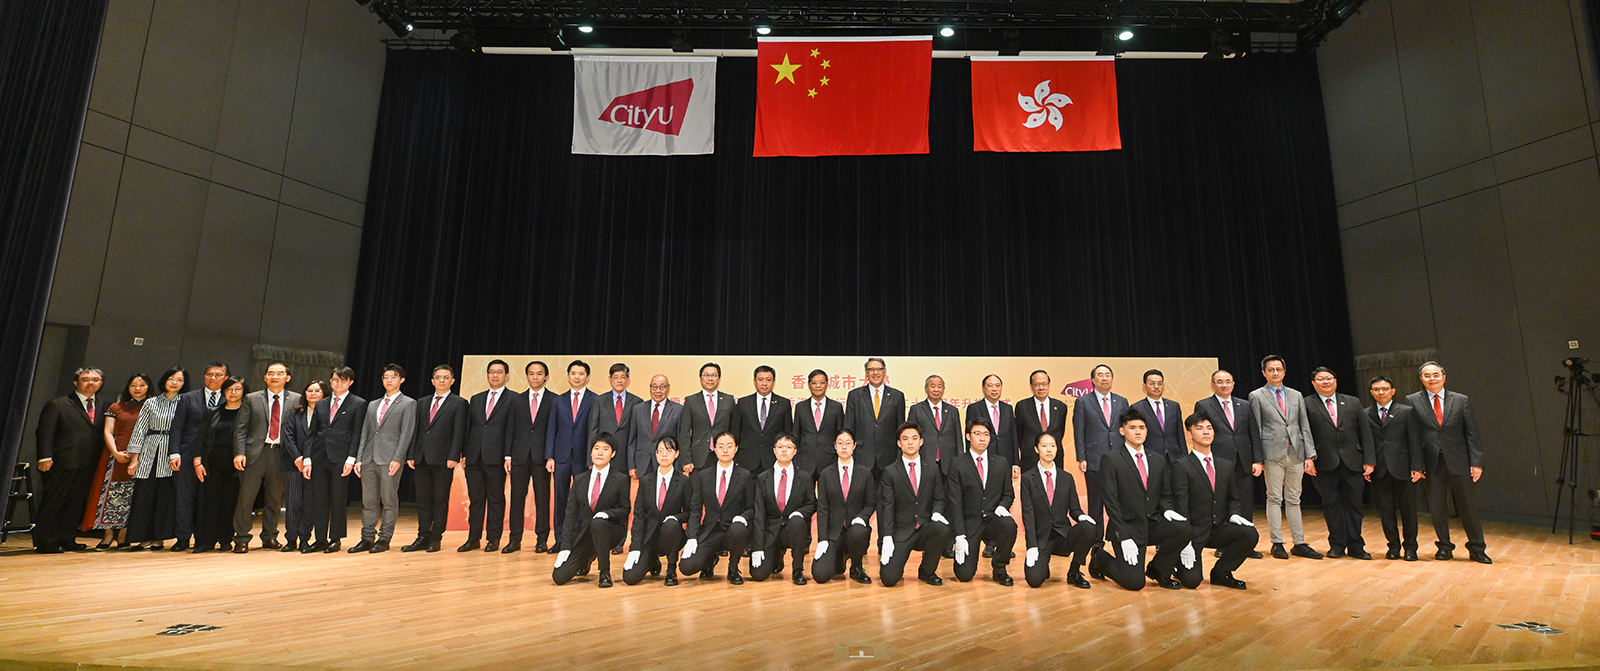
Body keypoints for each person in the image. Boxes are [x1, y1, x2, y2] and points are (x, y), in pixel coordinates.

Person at [1090, 411, 1191, 591]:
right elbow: (1110, 501)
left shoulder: (1158, 460)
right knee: (1134, 583)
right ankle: (1099, 558)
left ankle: (1158, 569)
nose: (1138, 432)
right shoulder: (1111, 459)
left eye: (1142, 428)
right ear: (1122, 431)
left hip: (1152, 523)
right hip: (1127, 527)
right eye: (1132, 428)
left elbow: (1164, 495)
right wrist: (1124, 535)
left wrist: (1167, 510)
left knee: (1183, 528)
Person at [1407, 362, 1490, 564]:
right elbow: (1413, 437)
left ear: (1444, 377)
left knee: (1468, 507)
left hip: (1460, 461)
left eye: (1436, 374)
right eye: (1427, 375)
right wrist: (1416, 466)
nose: (1432, 378)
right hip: (1431, 464)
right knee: (1437, 508)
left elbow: (1472, 434)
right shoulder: (1412, 401)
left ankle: (1477, 548)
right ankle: (1444, 547)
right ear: (1421, 379)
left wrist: (1476, 462)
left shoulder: (1461, 400)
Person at [1169, 414, 1258, 590]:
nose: (1206, 432)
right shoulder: (1182, 465)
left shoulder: (1224, 465)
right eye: (1199, 428)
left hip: (1218, 528)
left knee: (1249, 534)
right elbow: (1181, 504)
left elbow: (1234, 497)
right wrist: (1185, 539)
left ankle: (1221, 573)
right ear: (1190, 434)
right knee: (1192, 581)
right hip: (1193, 532)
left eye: (1209, 428)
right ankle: (1176, 563)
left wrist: (1234, 514)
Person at [1248, 355, 1321, 560]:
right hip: (1272, 453)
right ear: (1264, 373)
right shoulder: (1257, 395)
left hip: (1296, 452)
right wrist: (1259, 458)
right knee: (1273, 498)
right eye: (1270, 370)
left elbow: (1303, 425)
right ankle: (1277, 542)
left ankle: (1299, 542)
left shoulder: (1296, 394)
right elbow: (1257, 428)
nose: (1275, 373)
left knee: (1294, 499)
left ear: (1284, 371)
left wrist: (1310, 454)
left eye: (1278, 369)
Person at [229, 362, 300, 553]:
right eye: (271, 373)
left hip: (281, 455)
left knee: (274, 500)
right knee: (246, 499)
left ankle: (269, 537)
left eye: (280, 373)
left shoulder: (296, 399)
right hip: (255, 454)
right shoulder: (252, 398)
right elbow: (240, 429)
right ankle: (242, 538)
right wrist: (239, 452)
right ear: (265, 377)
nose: (275, 376)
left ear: (288, 377)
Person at [1305, 367, 1375, 559]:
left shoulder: (1352, 401)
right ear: (1313, 383)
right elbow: (1304, 434)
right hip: (1324, 463)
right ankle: (1337, 544)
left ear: (1335, 380)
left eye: (1329, 378)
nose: (1325, 382)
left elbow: (1365, 433)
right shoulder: (1306, 404)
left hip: (1353, 462)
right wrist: (1308, 458)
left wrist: (1369, 460)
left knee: (1354, 505)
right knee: (1331, 505)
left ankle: (1356, 546)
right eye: (1320, 379)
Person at [33, 367, 105, 553]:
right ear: (76, 383)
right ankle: (46, 542)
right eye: (85, 379)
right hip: (60, 463)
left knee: (75, 504)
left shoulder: (104, 406)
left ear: (101, 383)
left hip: (88, 465)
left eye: (95, 379)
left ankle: (68, 539)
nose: (91, 382)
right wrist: (44, 457)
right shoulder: (58, 404)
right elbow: (44, 433)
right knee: (53, 502)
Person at [1192, 369, 1263, 545]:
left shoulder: (1245, 405)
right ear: (1212, 384)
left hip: (1244, 461)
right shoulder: (1204, 405)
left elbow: (1253, 432)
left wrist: (1258, 460)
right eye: (1220, 382)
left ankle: (1246, 542)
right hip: (1218, 461)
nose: (1224, 385)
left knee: (1245, 501)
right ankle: (1223, 543)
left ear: (1233, 384)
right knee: (1221, 501)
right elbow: (1201, 433)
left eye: (1228, 381)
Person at [350, 364, 415, 553]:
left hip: (390, 459)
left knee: (388, 501)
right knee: (368, 501)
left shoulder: (408, 403)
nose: (388, 380)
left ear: (401, 380)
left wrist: (398, 458)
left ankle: (384, 538)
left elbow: (406, 433)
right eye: (385, 377)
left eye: (393, 377)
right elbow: (366, 433)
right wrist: (359, 458)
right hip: (369, 458)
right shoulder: (373, 404)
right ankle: (366, 537)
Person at [877, 423, 951, 587]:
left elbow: (939, 498)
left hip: (925, 527)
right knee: (889, 579)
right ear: (899, 443)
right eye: (905, 439)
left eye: (914, 438)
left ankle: (927, 571)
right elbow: (887, 507)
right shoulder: (890, 471)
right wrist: (887, 536)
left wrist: (937, 513)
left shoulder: (932, 468)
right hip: (901, 531)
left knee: (942, 529)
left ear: (921, 442)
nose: (910, 442)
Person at [552, 434, 631, 587]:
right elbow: (570, 515)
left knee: (599, 523)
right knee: (559, 576)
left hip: (611, 531)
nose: (600, 453)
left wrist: (606, 514)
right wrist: (565, 548)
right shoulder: (580, 479)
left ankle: (604, 572)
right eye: (596, 448)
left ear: (613, 453)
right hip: (585, 535)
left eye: (605, 449)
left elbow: (625, 509)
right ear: (591, 452)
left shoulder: (620, 479)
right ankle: (588, 557)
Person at [1020, 433, 1098, 589]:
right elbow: (1027, 514)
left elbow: (1074, 508)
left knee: (1089, 527)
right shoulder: (1028, 478)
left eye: (1053, 445)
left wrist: (1082, 516)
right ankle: (1043, 563)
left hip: (1063, 534)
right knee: (1034, 580)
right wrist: (1032, 546)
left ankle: (1074, 571)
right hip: (1042, 538)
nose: (1049, 449)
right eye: (1044, 445)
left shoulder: (1066, 477)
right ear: (1036, 449)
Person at [166, 362, 229, 552]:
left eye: (218, 375)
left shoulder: (230, 399)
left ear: (225, 378)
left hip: (214, 458)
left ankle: (204, 537)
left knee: (207, 499)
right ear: (204, 377)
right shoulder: (187, 398)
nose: (213, 378)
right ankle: (183, 537)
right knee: (184, 497)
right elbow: (177, 427)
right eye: (210, 374)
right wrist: (174, 452)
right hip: (186, 454)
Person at [946, 416, 1017, 586]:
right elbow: (954, 501)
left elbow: (1008, 494)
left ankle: (1000, 568)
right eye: (977, 434)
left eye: (986, 434)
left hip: (993, 519)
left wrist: (1002, 507)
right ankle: (964, 554)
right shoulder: (957, 463)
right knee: (964, 575)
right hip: (970, 522)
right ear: (968, 436)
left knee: (1009, 525)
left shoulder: (1001, 462)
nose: (982, 438)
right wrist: (959, 534)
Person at [678, 431, 755, 584]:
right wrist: (692, 537)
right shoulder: (703, 476)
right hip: (710, 530)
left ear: (736, 448)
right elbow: (695, 509)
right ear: (715, 449)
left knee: (739, 530)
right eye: (721, 446)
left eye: (729, 446)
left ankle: (733, 569)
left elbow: (750, 508)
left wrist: (742, 519)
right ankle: (710, 560)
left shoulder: (745, 476)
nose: (725, 450)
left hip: (733, 530)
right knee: (686, 567)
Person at [406, 365, 468, 553]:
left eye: (446, 377)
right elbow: (416, 430)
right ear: (432, 381)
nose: (442, 380)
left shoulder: (459, 403)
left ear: (452, 381)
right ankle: (422, 535)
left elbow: (459, 432)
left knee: (440, 500)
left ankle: (435, 537)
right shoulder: (422, 402)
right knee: (423, 500)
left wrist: (454, 456)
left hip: (443, 459)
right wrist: (411, 455)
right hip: (421, 457)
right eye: (438, 377)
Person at [124, 367, 187, 550]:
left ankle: (159, 538)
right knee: (145, 495)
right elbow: (139, 430)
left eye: (179, 379)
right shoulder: (151, 402)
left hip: (173, 453)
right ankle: (143, 537)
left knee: (165, 498)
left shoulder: (185, 402)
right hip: (149, 451)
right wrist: (134, 459)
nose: (174, 382)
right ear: (164, 380)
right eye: (171, 378)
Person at [86, 373, 150, 549]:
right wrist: (115, 452)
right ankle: (107, 535)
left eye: (142, 385)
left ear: (148, 387)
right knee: (109, 495)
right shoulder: (116, 406)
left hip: (142, 459)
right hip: (115, 456)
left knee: (132, 496)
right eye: (133, 385)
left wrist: (137, 456)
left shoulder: (152, 406)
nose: (137, 388)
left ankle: (123, 534)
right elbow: (108, 431)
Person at [1073, 364, 1129, 562]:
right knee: (1096, 504)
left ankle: (1119, 538)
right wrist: (1081, 457)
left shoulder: (1122, 401)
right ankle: (1096, 543)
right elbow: (1079, 430)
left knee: (1119, 502)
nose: (1104, 378)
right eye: (1100, 375)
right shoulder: (1083, 402)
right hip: (1095, 459)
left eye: (1108, 375)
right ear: (1093, 381)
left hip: (1119, 460)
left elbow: (1127, 429)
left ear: (1111, 379)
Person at [1367, 376, 1425, 561]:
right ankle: (1393, 547)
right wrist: (1368, 464)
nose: (1381, 392)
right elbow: (1365, 443)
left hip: (1404, 469)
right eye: (1376, 389)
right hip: (1379, 470)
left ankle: (1411, 548)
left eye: (1385, 388)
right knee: (1386, 512)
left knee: (1408, 511)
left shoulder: (1406, 411)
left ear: (1393, 391)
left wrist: (1417, 467)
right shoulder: (1365, 413)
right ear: (1371, 393)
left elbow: (1415, 441)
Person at [460, 359, 514, 552]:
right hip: (474, 457)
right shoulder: (476, 398)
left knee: (496, 499)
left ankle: (493, 538)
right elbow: (469, 428)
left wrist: (508, 455)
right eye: (492, 372)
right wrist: (464, 453)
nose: (495, 375)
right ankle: (473, 538)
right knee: (475, 500)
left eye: (499, 372)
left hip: (496, 458)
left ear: (507, 376)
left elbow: (511, 431)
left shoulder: (513, 399)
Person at [623, 437, 692, 586]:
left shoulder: (684, 482)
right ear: (655, 454)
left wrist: (675, 518)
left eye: (669, 450)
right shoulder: (646, 481)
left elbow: (689, 513)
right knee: (630, 577)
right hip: (650, 537)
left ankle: (671, 568)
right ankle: (652, 561)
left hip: (673, 534)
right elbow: (639, 516)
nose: (664, 455)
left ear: (677, 453)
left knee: (671, 525)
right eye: (660, 451)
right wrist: (634, 547)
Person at [589, 363, 642, 555]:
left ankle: (619, 541)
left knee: (622, 502)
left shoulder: (637, 402)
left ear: (628, 380)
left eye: (623, 377)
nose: (619, 381)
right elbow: (593, 430)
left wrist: (633, 462)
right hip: (602, 459)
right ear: (610, 379)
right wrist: (592, 457)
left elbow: (637, 435)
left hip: (624, 461)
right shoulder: (599, 401)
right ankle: (599, 537)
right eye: (616, 377)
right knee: (600, 499)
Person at [310, 366, 364, 553]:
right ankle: (320, 539)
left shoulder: (358, 403)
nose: (338, 383)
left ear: (350, 382)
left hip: (341, 458)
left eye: (342, 380)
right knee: (319, 499)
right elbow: (313, 433)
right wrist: (308, 459)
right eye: (334, 379)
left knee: (338, 498)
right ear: (330, 381)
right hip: (319, 456)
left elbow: (357, 433)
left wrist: (351, 458)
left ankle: (335, 539)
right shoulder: (321, 403)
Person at [750, 433, 815, 584]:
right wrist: (757, 546)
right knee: (758, 574)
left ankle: (797, 569)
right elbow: (759, 514)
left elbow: (811, 504)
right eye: (780, 447)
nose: (784, 450)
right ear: (774, 450)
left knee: (798, 523)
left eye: (788, 447)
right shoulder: (762, 478)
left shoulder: (804, 477)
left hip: (793, 529)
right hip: (770, 531)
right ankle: (776, 557)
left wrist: (799, 513)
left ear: (795, 451)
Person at [812, 429, 875, 585]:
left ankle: (856, 566)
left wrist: (861, 518)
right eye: (840, 443)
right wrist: (823, 539)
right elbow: (823, 508)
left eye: (848, 443)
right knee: (820, 575)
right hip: (835, 531)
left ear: (854, 446)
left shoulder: (865, 473)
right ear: (835, 446)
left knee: (859, 531)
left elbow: (871, 503)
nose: (844, 447)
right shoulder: (826, 474)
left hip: (856, 530)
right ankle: (840, 559)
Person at [505, 361, 557, 554]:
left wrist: (551, 456)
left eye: (539, 373)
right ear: (527, 376)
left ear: (546, 376)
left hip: (542, 458)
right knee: (517, 499)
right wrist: (508, 455)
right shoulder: (516, 400)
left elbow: (554, 430)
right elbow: (510, 429)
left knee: (542, 499)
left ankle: (542, 540)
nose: (535, 377)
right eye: (531, 373)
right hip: (519, 457)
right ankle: (514, 539)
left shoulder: (554, 400)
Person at [546, 360, 597, 551]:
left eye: (581, 373)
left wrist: (593, 458)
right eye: (573, 373)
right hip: (561, 457)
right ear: (568, 376)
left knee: (583, 500)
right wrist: (549, 457)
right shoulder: (558, 401)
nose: (577, 377)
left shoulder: (595, 400)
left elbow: (595, 430)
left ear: (587, 377)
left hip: (584, 458)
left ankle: (579, 540)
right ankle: (560, 539)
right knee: (560, 498)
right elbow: (552, 429)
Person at [192, 377, 245, 552]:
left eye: (237, 389)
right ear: (223, 392)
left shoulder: (247, 412)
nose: (233, 393)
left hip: (236, 465)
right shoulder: (213, 411)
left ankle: (225, 539)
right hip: (212, 462)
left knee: (229, 502)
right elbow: (201, 437)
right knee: (210, 502)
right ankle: (207, 540)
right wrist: (197, 460)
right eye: (229, 389)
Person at [284, 380, 326, 553]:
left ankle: (304, 539)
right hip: (294, 463)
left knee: (310, 503)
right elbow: (288, 436)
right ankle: (291, 539)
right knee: (292, 502)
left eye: (317, 391)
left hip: (317, 464)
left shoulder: (327, 415)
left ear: (324, 394)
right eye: (310, 390)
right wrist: (298, 458)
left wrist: (311, 459)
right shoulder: (296, 413)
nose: (313, 394)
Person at [844, 358, 906, 476]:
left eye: (878, 369)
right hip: (861, 456)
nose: (875, 372)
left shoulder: (897, 396)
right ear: (866, 373)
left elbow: (900, 429)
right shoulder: (855, 395)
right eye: (871, 369)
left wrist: (899, 456)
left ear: (884, 372)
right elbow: (849, 427)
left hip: (889, 457)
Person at [732, 365, 793, 474]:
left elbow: (787, 433)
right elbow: (735, 432)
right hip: (747, 459)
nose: (764, 383)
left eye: (768, 380)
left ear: (774, 382)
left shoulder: (783, 403)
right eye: (760, 380)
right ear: (754, 381)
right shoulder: (743, 403)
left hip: (774, 459)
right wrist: (734, 457)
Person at [677, 362, 734, 474]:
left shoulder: (728, 400)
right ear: (700, 377)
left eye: (714, 375)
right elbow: (684, 432)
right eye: (706, 375)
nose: (710, 379)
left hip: (723, 454)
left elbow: (734, 429)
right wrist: (686, 459)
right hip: (698, 457)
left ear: (719, 378)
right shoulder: (691, 401)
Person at [626, 375, 681, 484]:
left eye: (662, 387)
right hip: (643, 463)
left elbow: (680, 439)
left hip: (668, 463)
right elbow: (632, 439)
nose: (658, 391)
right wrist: (632, 465)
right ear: (650, 388)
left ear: (668, 388)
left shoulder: (678, 410)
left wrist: (678, 466)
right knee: (645, 497)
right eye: (654, 387)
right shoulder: (638, 409)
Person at [793, 369, 844, 480]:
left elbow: (840, 435)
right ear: (809, 385)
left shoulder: (836, 407)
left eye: (821, 382)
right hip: (805, 461)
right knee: (805, 496)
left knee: (828, 495)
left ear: (827, 384)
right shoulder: (800, 407)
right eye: (814, 383)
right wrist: (796, 459)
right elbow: (795, 435)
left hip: (829, 460)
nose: (818, 386)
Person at [907, 375, 963, 475]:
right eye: (932, 386)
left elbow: (958, 438)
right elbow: (910, 436)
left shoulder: (952, 410)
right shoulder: (916, 409)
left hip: (948, 463)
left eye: (939, 386)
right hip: (925, 461)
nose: (936, 389)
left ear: (943, 389)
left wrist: (960, 460)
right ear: (926, 389)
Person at [1130, 369, 1188, 463]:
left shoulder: (1174, 406)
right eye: (1152, 383)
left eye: (1160, 383)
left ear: (1163, 385)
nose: (1156, 387)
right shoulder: (1137, 408)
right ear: (1144, 386)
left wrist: (1185, 457)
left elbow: (1180, 434)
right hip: (1150, 458)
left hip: (1175, 458)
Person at [1014, 370, 1066, 472]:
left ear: (1049, 385)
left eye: (1044, 384)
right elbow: (1019, 434)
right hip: (1030, 459)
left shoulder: (1060, 406)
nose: (1041, 387)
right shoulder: (1022, 406)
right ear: (1031, 386)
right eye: (1037, 384)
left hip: (1055, 459)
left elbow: (1060, 431)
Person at [969, 374, 1017, 478]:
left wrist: (1015, 463)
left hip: (1006, 459)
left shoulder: (1007, 408)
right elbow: (970, 436)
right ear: (983, 389)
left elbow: (1013, 436)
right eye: (990, 385)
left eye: (997, 385)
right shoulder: (974, 408)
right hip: (983, 459)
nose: (994, 389)